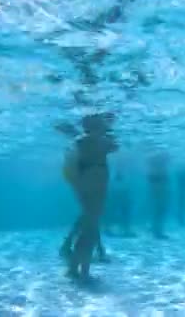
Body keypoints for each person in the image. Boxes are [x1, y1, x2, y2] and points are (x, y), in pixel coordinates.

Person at [61, 113, 118, 283]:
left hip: (86, 183)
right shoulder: (98, 141)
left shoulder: (80, 141)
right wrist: (108, 129)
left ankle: (76, 268)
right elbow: (115, 146)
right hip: (95, 183)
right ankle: (79, 270)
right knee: (91, 228)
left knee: (89, 225)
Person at [148, 152, 170, 239]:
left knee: (159, 208)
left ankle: (156, 230)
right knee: (160, 208)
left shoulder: (154, 164)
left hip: (158, 183)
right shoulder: (158, 164)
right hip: (159, 184)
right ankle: (157, 231)